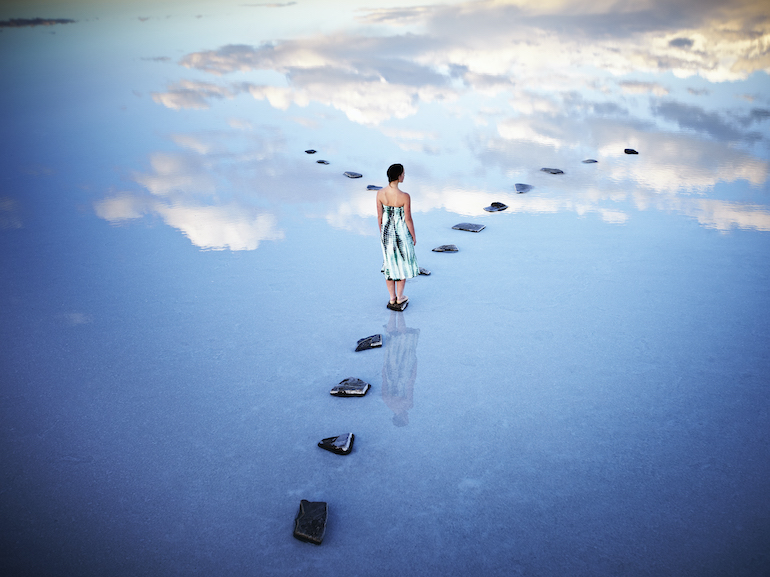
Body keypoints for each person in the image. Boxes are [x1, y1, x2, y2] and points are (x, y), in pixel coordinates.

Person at [377, 163, 419, 308]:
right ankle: (400, 297)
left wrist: (382, 234)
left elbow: (380, 217)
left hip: (386, 233)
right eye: (403, 173)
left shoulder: (380, 193)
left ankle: (392, 297)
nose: (404, 175)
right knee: (401, 264)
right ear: (398, 176)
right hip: (401, 233)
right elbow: (408, 218)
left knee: (389, 264)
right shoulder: (404, 196)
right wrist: (413, 235)